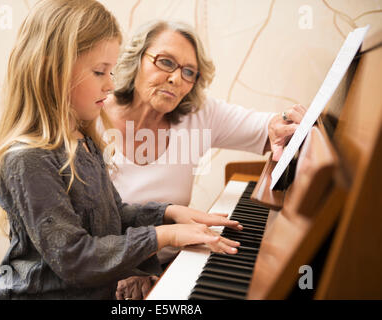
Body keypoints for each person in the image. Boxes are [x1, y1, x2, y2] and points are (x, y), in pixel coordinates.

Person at [0, 0, 242, 300]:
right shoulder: (28, 159)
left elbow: (113, 215)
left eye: (111, 71)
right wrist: (163, 236)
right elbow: (74, 257)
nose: (110, 84)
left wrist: (169, 214)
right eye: (99, 72)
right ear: (55, 69)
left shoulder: (84, 140)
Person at [97, 20, 306, 294]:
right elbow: (75, 230)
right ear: (137, 59)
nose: (176, 79)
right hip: (102, 274)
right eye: (165, 62)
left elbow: (268, 128)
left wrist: (290, 120)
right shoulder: (94, 115)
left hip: (165, 268)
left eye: (189, 72)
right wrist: (129, 268)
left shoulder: (197, 114)